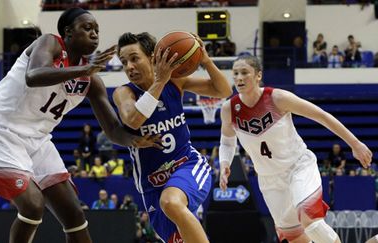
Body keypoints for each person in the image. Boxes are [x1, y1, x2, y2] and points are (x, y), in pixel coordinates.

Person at [0, 8, 160, 243]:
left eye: (97, 30)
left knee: (74, 213)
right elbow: (35, 75)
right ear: (68, 32)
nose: (94, 34)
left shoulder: (91, 81)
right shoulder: (50, 43)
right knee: (32, 206)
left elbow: (112, 129)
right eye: (87, 28)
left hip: (37, 140)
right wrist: (85, 69)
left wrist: (135, 140)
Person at [218, 55, 372, 243]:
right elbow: (227, 141)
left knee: (311, 222)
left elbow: (321, 115)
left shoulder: (277, 98)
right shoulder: (229, 109)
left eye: (244, 72)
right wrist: (225, 163)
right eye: (235, 73)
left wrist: (355, 144)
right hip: (269, 179)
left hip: (298, 167)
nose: (239, 77)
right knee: (296, 239)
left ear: (258, 75)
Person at [113, 32, 232, 243]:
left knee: (171, 202)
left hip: (187, 164)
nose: (129, 66)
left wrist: (205, 59)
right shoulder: (124, 93)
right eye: (124, 62)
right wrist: (159, 81)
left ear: (152, 57)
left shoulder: (176, 82)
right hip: (151, 186)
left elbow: (223, 90)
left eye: (134, 58)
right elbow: (133, 120)